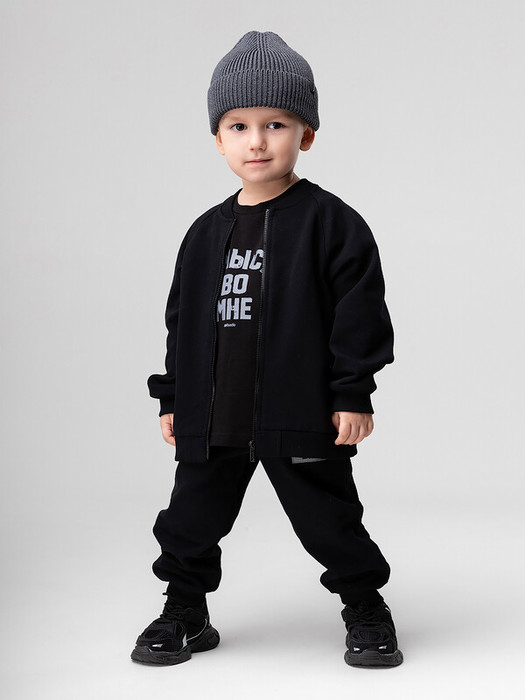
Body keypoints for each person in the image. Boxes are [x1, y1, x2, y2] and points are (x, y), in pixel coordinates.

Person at [131, 30, 403, 669]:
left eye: (275, 124)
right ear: (218, 139)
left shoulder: (333, 224)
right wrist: (174, 397)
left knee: (330, 520)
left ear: (306, 134)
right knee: (191, 519)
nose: (256, 141)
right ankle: (185, 610)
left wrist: (352, 393)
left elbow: (360, 316)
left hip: (301, 412)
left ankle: (366, 606)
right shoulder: (204, 234)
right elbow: (181, 323)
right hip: (213, 416)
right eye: (239, 126)